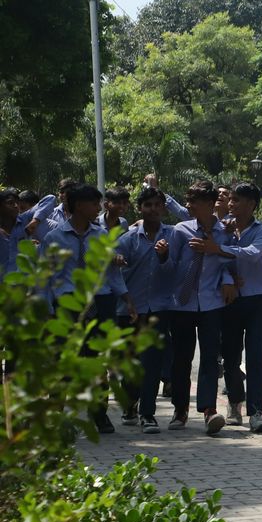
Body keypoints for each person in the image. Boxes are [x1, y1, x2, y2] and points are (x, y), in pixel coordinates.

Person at [41, 183, 134, 434]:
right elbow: (45, 278)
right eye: (94, 204)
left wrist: (126, 298)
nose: (98, 208)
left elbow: (112, 273)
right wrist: (47, 309)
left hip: (99, 303)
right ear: (79, 206)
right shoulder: (54, 238)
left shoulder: (101, 236)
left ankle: (99, 414)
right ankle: (56, 415)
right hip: (68, 304)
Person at [166, 180, 233, 436]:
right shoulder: (180, 230)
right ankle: (179, 409)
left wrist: (228, 280)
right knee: (181, 358)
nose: (189, 205)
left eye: (194, 201)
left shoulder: (225, 232)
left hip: (211, 302)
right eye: (188, 200)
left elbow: (229, 262)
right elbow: (171, 264)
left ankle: (209, 410)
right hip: (182, 303)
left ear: (209, 204)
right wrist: (162, 256)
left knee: (209, 358)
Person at [116, 186, 177, 432]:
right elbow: (113, 275)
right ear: (139, 208)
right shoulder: (127, 239)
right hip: (130, 311)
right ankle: (129, 402)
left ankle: (148, 414)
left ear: (164, 208)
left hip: (159, 309)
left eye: (157, 205)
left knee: (152, 363)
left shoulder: (173, 236)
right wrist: (126, 298)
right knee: (131, 365)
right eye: (148, 205)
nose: (153, 209)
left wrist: (164, 257)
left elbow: (174, 271)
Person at [218, 182, 262, 432]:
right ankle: (234, 402)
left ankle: (256, 412)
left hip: (256, 298)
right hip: (228, 299)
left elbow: (253, 253)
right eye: (230, 199)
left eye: (236, 200)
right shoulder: (221, 228)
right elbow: (213, 261)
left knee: (255, 356)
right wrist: (228, 278)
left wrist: (221, 248)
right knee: (230, 355)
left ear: (252, 204)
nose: (231, 204)